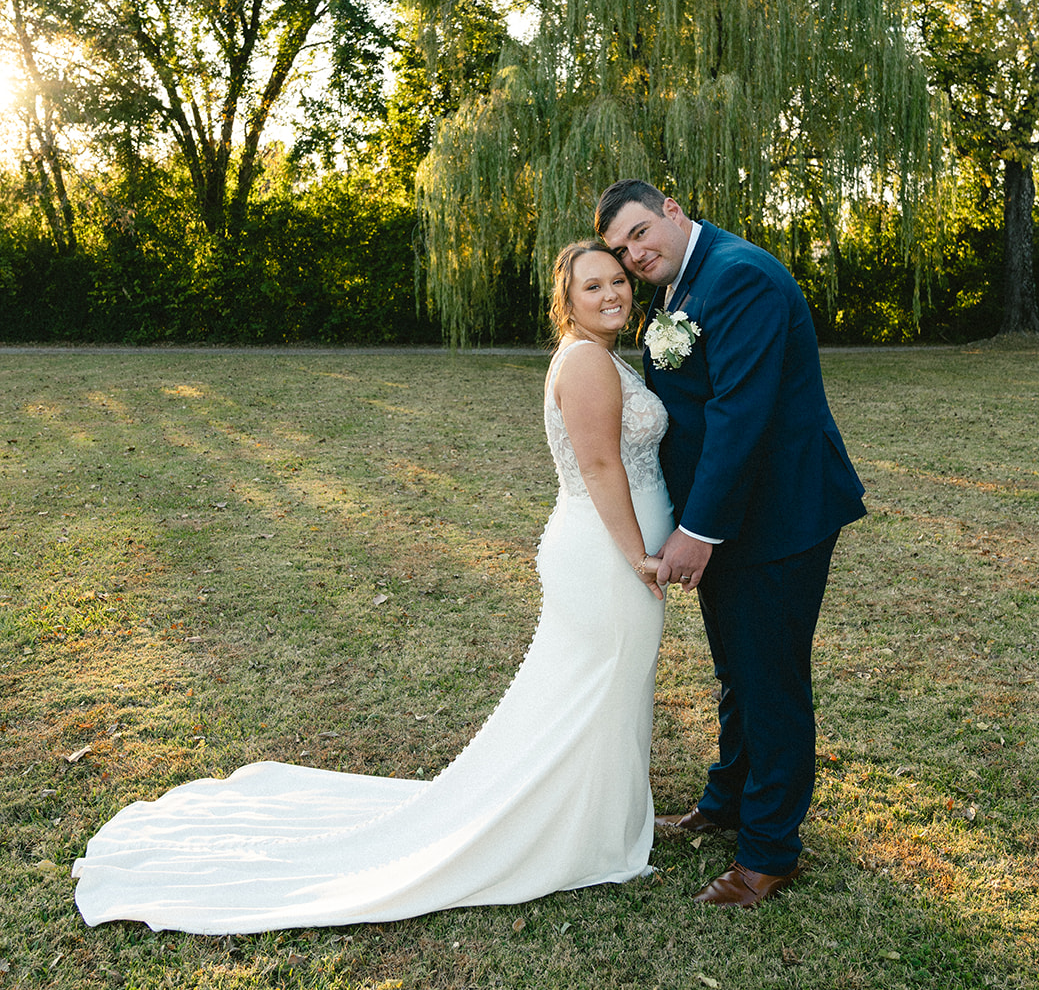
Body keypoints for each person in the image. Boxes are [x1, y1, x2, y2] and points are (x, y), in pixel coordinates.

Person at [72, 242, 673, 933]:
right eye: (591, 286)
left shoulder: (599, 355)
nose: (610, 294)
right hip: (607, 554)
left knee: (594, 691)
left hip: (603, 548)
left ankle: (589, 817)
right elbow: (600, 466)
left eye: (617, 282)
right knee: (599, 686)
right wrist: (639, 557)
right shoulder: (588, 360)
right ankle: (575, 832)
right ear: (565, 302)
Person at [596, 180, 866, 908]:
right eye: (621, 249)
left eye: (640, 233)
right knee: (736, 668)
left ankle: (769, 853)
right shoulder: (682, 280)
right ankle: (727, 800)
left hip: (780, 513)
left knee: (770, 678)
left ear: (673, 211)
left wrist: (696, 530)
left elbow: (739, 414)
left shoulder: (738, 276)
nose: (634, 254)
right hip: (733, 513)